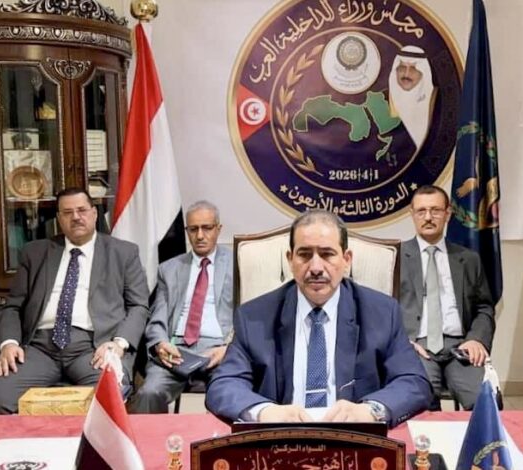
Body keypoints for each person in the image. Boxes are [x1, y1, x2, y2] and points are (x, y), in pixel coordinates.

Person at [206, 210, 432, 428]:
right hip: (280, 440)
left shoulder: (382, 313)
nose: (315, 268)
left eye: (327, 254)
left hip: (355, 439)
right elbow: (224, 385)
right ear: (290, 259)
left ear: (346, 259)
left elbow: (413, 382)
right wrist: (264, 411)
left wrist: (370, 410)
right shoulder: (254, 317)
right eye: (304, 255)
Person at [0, 188, 150, 414]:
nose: (76, 217)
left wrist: (119, 343)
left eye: (82, 210)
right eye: (68, 213)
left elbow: (139, 305)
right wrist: (9, 343)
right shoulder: (36, 253)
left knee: (108, 399)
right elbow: (12, 306)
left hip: (94, 347)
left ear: (94, 213)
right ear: (59, 219)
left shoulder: (123, 252)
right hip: (40, 348)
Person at [130, 201, 233, 413]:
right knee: (149, 393)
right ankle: (150, 437)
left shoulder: (237, 263)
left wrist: (229, 348)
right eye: (193, 229)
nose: (200, 235)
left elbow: (251, 318)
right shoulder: (169, 269)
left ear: (219, 229)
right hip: (176, 350)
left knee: (229, 393)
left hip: (220, 349)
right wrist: (160, 343)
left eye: (207, 228)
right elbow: (157, 319)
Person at [400, 185, 495, 410]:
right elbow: (381, 311)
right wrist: (402, 343)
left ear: (448, 213)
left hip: (461, 346)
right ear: (412, 214)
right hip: (415, 346)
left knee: (484, 401)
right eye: (421, 211)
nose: (428, 217)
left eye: (435, 210)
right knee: (420, 401)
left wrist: (476, 339)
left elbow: (484, 307)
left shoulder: (468, 259)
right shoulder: (397, 257)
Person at [388, 45, 435, 149]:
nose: (406, 74)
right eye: (402, 68)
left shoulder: (435, 104)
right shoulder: (382, 101)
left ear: (423, 72)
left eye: (413, 69)